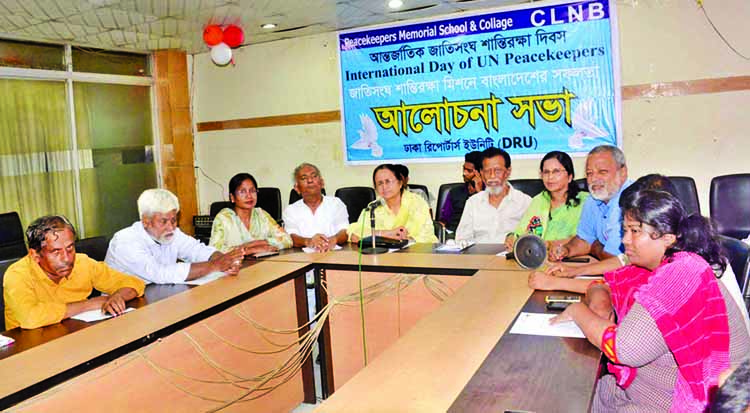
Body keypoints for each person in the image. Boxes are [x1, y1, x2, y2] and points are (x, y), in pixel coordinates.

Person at [550, 189, 750, 412]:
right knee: (570, 394)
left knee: (565, 394)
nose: (625, 239)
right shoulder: (654, 267)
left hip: (678, 403)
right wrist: (598, 296)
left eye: (635, 231)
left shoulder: (681, 273)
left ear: (668, 238)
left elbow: (623, 349)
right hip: (643, 390)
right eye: (625, 230)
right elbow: (608, 286)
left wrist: (578, 311)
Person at [4, 215, 145, 330]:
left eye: (70, 248)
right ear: (35, 255)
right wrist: (88, 305)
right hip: (29, 349)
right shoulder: (17, 274)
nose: (66, 258)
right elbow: (30, 317)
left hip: (75, 336)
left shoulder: (82, 263)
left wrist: (117, 297)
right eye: (56, 251)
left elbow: (134, 283)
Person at [106, 188, 245, 284]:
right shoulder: (125, 241)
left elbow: (196, 249)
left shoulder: (172, 233)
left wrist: (226, 261)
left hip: (159, 297)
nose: (171, 227)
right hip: (122, 306)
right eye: (164, 221)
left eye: (173, 220)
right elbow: (160, 273)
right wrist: (214, 265)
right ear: (146, 221)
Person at [550, 145, 632, 261]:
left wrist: (594, 247)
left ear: (622, 172)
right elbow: (584, 240)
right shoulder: (593, 198)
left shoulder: (632, 200)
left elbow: (615, 259)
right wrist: (566, 250)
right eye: (589, 173)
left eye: (602, 172)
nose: (594, 179)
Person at [505, 151, 588, 251]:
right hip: (538, 258)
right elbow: (521, 233)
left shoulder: (586, 201)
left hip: (573, 259)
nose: (550, 177)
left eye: (556, 171)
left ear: (570, 176)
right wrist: (511, 237)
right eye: (546, 172)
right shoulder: (539, 200)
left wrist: (550, 244)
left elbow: (585, 238)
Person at [455, 147, 531, 243]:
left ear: (508, 171)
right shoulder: (473, 203)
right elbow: (461, 240)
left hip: (511, 256)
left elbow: (532, 239)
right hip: (479, 256)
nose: (492, 176)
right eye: (487, 171)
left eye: (497, 171)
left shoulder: (525, 202)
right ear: (481, 173)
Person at [348, 163, 437, 243]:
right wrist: (387, 233)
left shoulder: (417, 203)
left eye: (388, 181)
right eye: (379, 183)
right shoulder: (373, 207)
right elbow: (355, 233)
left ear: (400, 183)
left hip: (416, 256)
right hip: (382, 257)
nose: (384, 187)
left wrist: (404, 240)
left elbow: (427, 236)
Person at [209, 173, 293, 253]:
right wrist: (248, 250)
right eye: (242, 191)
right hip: (234, 266)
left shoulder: (261, 215)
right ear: (232, 197)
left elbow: (287, 240)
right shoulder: (224, 218)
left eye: (252, 191)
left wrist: (260, 243)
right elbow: (214, 250)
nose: (249, 196)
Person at [282, 163, 349, 252]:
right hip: (302, 258)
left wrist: (332, 240)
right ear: (297, 188)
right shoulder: (290, 210)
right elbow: (290, 237)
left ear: (322, 183)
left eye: (314, 176)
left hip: (333, 254)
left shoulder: (336, 203)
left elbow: (345, 231)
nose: (310, 180)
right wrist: (309, 241)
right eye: (304, 178)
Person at [438, 151, 484, 232]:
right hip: (453, 233)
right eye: (464, 169)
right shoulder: (454, 192)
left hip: (478, 234)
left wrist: (479, 192)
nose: (464, 173)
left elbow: (489, 219)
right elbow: (444, 220)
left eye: (469, 171)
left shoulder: (489, 192)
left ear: (479, 173)